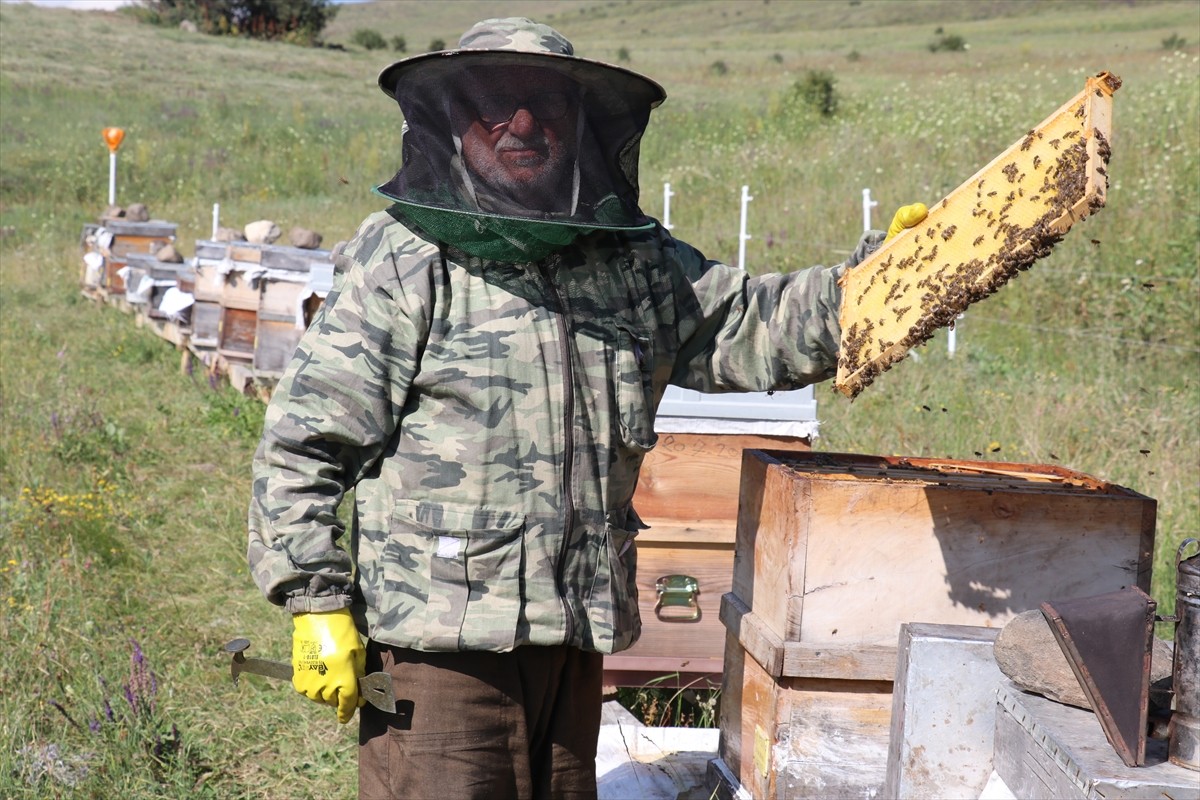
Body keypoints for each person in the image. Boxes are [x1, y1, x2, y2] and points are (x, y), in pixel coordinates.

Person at [247, 16, 925, 800]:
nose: (523, 124)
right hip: (440, 652)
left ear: (581, 125)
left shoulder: (629, 260)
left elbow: (749, 325)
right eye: (497, 103)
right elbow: (304, 442)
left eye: (546, 106)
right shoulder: (404, 259)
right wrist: (315, 598)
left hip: (575, 637)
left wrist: (877, 285)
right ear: (455, 121)